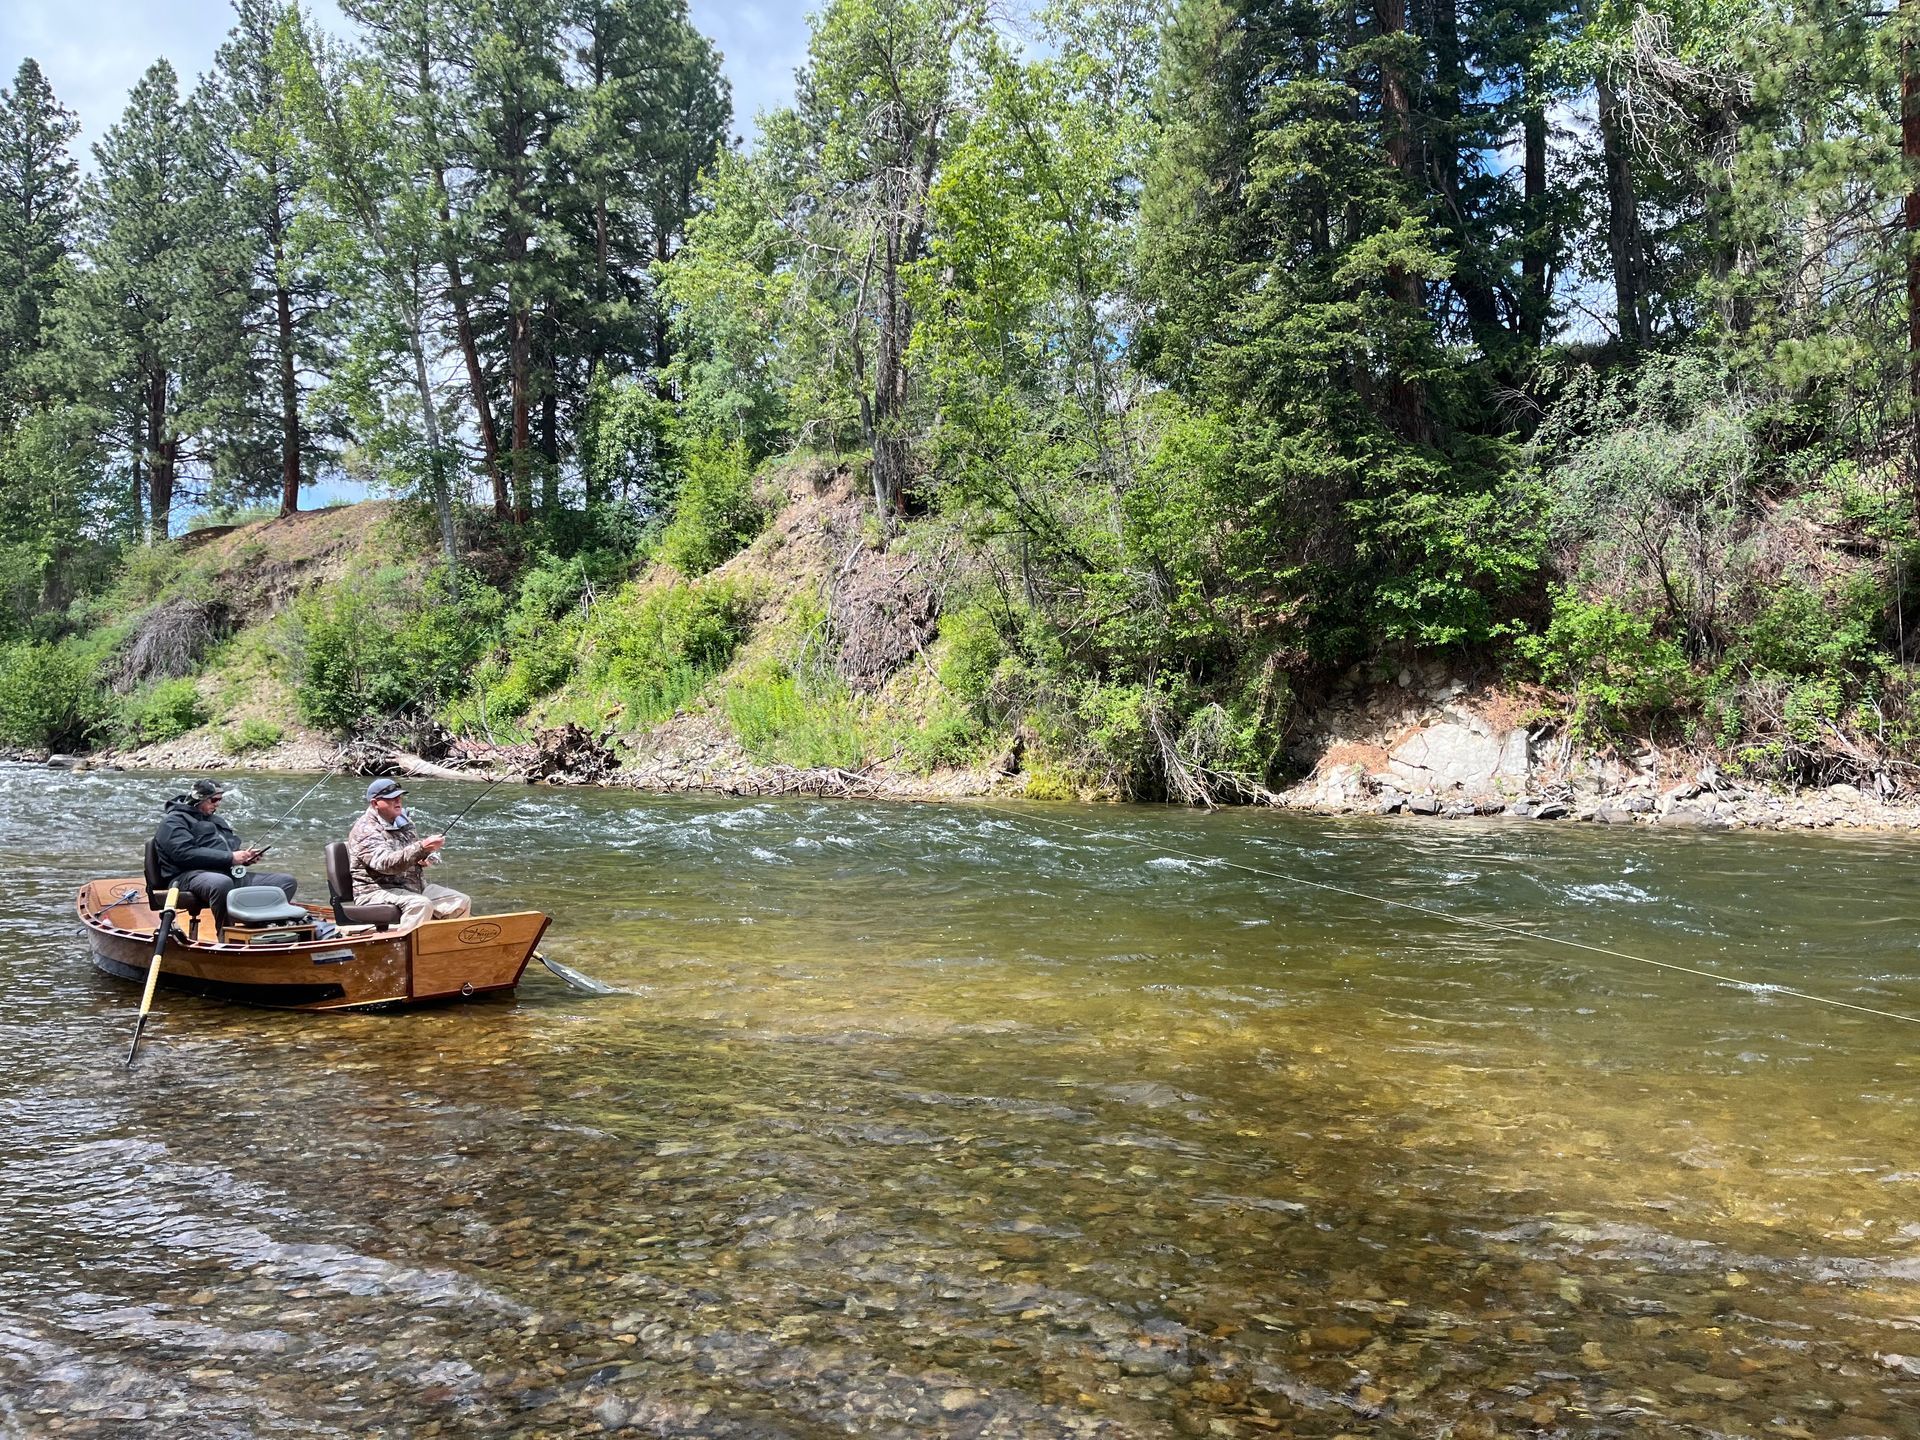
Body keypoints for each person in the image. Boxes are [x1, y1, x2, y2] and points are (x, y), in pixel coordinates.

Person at [153, 779, 300, 928]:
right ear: (199, 798)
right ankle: (226, 932)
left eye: (220, 799)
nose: (217, 804)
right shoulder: (173, 822)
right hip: (187, 877)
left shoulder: (216, 821)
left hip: (226, 873)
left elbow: (228, 850)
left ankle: (260, 927)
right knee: (221, 883)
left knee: (285, 882)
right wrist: (230, 858)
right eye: (214, 799)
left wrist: (244, 858)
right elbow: (183, 854)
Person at [345, 778, 471, 928]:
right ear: (375, 803)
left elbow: (413, 852)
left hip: (413, 888)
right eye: (392, 798)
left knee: (460, 901)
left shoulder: (404, 822)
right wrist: (421, 847)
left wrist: (427, 855)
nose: (398, 801)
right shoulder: (365, 830)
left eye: (399, 797)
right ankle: (407, 950)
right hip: (375, 891)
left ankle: (444, 947)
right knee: (420, 904)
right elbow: (385, 864)